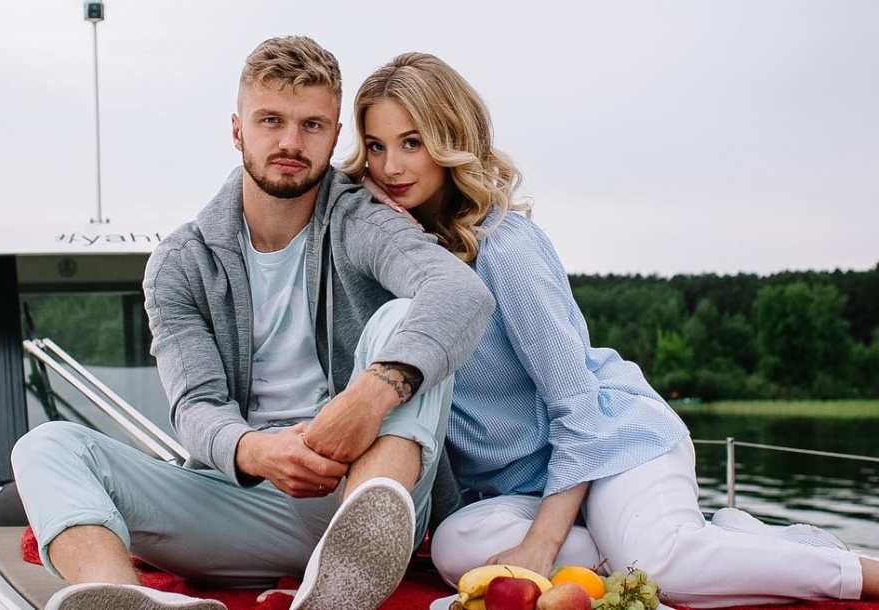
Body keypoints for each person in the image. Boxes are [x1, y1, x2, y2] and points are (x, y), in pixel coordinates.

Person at [345, 51, 879, 608]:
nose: (390, 168)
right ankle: (708, 542)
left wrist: (541, 546)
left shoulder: (505, 248)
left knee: (656, 567)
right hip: (528, 488)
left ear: (451, 140)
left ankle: (853, 570)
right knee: (457, 548)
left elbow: (578, 412)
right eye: (376, 147)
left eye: (411, 143)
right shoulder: (400, 260)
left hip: (612, 444)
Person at [10, 37, 494, 610]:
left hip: (368, 482)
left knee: (404, 317)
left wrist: (368, 397)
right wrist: (256, 452)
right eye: (271, 121)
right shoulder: (181, 263)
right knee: (46, 446)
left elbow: (459, 292)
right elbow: (195, 406)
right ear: (238, 130)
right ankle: (125, 598)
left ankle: (358, 554)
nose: (291, 142)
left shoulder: (360, 220)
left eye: (312, 125)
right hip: (241, 497)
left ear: (335, 136)